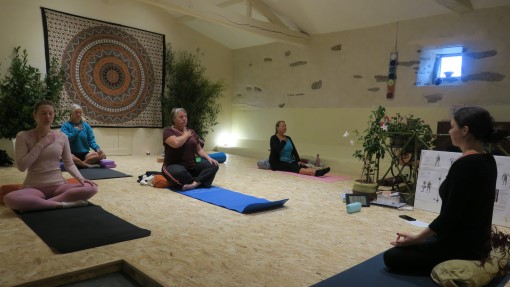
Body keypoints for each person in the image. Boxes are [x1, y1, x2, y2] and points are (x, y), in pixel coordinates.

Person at [383, 106, 509, 275]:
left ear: (464, 130)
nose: (449, 131)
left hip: (461, 248)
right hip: (477, 242)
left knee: (391, 257)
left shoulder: (465, 165)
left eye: (452, 127)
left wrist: (417, 237)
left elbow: (449, 217)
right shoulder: (488, 159)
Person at [3, 101, 98, 212]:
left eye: (50, 113)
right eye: (43, 113)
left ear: (54, 115)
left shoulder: (62, 137)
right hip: (34, 187)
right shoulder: (23, 136)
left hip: (58, 186)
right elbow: (22, 166)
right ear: (35, 115)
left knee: (91, 187)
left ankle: (42, 204)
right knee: (9, 199)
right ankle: (62, 204)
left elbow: (69, 163)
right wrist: (41, 144)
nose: (47, 116)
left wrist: (81, 178)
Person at [162, 108, 219, 191]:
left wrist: (208, 158)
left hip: (192, 166)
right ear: (173, 119)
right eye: (181, 117)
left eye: (185, 116)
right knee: (179, 172)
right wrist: (186, 135)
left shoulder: (191, 131)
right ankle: (200, 180)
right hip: (173, 165)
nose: (184, 119)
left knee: (213, 165)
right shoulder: (168, 131)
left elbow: (199, 150)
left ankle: (194, 184)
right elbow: (176, 143)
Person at [61, 104, 106, 168]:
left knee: (102, 155)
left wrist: (97, 149)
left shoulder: (86, 126)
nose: (78, 114)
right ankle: (86, 164)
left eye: (80, 112)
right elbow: (65, 139)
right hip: (71, 153)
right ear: (71, 113)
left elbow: (91, 141)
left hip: (85, 154)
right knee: (69, 157)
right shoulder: (65, 126)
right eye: (76, 112)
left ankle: (81, 164)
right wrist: (75, 130)